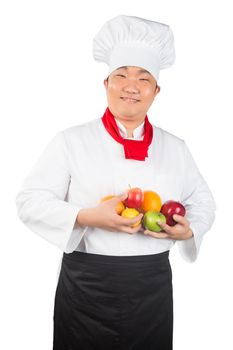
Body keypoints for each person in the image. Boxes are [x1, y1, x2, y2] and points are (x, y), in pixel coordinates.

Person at [16, 15, 216, 350]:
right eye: (121, 75)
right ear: (106, 83)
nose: (131, 86)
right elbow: (29, 200)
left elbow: (204, 202)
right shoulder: (70, 140)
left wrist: (189, 229)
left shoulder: (176, 147)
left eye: (143, 78)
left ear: (156, 90)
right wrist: (86, 216)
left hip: (150, 287)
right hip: (86, 286)